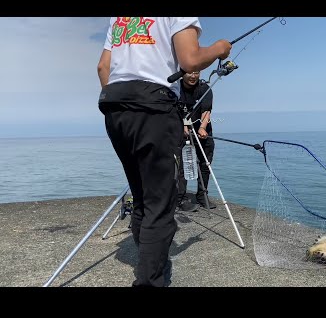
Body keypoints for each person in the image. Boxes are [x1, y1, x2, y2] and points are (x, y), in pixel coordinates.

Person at [96, 17, 231, 287]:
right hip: (154, 107)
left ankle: (150, 261)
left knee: (142, 195)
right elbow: (190, 61)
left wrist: (127, 101)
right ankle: (150, 279)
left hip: (115, 107)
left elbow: (103, 67)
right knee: (160, 204)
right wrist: (220, 48)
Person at [177, 71, 217, 212]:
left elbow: (206, 111)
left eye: (196, 73)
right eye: (189, 73)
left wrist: (202, 127)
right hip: (182, 131)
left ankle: (202, 196)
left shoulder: (204, 88)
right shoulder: (176, 88)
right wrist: (183, 125)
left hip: (203, 131)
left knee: (205, 164)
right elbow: (174, 110)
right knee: (183, 165)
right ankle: (180, 197)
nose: (193, 76)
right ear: (182, 73)